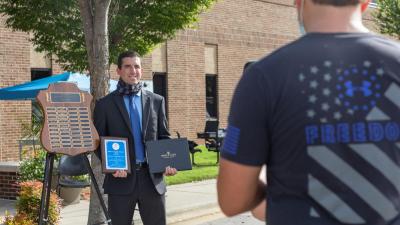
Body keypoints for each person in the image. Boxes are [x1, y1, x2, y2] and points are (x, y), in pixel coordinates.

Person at [217, 0, 400, 224]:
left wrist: (274, 193)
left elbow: (233, 198)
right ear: (364, 2)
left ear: (299, 3)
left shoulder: (264, 76)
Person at [94, 51, 177, 225]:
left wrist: (168, 162)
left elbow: (163, 136)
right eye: (128, 66)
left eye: (137, 66)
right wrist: (113, 166)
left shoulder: (156, 101)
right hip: (120, 180)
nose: (133, 71)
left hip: (152, 180)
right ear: (118, 71)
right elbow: (98, 143)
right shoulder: (104, 105)